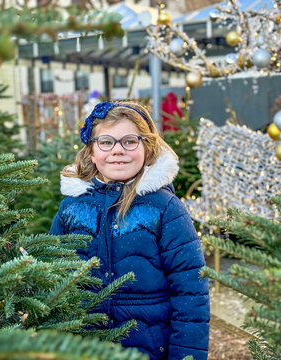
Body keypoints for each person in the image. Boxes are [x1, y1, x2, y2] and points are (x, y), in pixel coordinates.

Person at [49, 101, 210, 360]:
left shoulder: (165, 208)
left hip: (147, 348)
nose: (117, 151)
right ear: (91, 151)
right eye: (106, 142)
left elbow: (191, 292)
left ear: (146, 147)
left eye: (129, 141)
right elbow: (50, 275)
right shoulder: (72, 207)